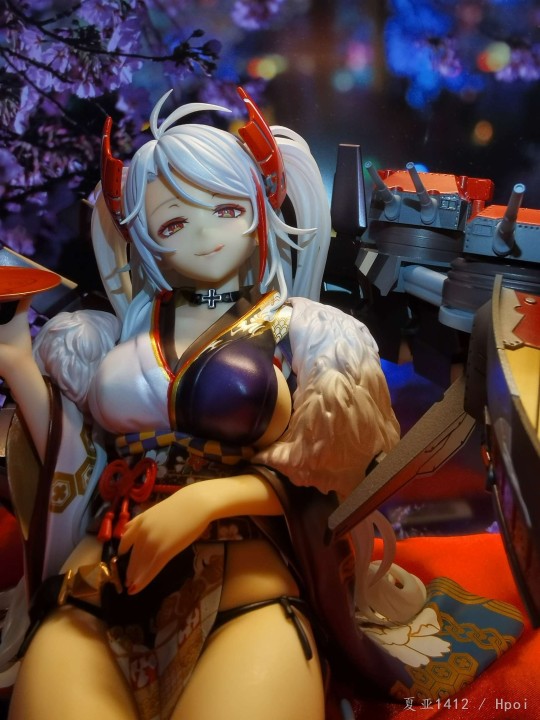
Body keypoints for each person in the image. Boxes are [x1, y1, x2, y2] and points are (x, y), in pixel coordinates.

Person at [0, 88, 524, 720]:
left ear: (259, 207)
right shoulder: (102, 336)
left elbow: (335, 475)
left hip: (244, 577)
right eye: (172, 224)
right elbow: (71, 462)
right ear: (143, 239)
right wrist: (16, 362)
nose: (204, 234)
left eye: (225, 208)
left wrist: (208, 499)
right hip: (100, 578)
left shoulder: (304, 330)